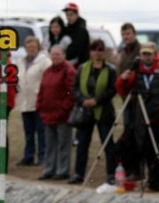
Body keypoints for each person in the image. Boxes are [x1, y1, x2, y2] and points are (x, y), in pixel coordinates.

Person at [116, 41, 159, 192]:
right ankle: (139, 176)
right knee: (143, 148)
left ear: (155, 54)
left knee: (158, 151)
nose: (147, 57)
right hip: (142, 116)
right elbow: (123, 90)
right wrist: (123, 79)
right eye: (144, 54)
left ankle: (155, 183)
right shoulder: (136, 71)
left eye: (149, 54)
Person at [72, 39, 117, 185]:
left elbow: (112, 89)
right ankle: (79, 173)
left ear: (103, 52)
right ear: (90, 52)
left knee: (108, 144)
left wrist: (97, 100)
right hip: (85, 111)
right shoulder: (82, 68)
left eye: (100, 49)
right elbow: (75, 88)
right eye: (94, 49)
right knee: (82, 144)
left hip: (103, 111)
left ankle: (111, 174)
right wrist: (82, 100)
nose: (97, 52)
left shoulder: (110, 70)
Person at [37, 46, 76, 181]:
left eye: (58, 54)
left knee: (63, 144)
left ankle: (62, 170)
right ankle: (49, 169)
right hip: (48, 113)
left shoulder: (69, 70)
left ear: (64, 55)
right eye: (53, 55)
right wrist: (40, 106)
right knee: (50, 144)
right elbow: (42, 89)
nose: (55, 57)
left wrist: (64, 107)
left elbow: (71, 91)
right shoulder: (48, 71)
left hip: (62, 115)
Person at [16, 36, 51, 167]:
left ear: (38, 48)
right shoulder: (20, 61)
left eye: (33, 47)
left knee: (41, 131)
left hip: (39, 101)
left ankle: (43, 156)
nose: (31, 49)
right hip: (24, 100)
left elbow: (49, 79)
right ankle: (28, 155)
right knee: (28, 131)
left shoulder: (44, 61)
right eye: (28, 47)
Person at [62, 3, 90, 68]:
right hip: (68, 65)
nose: (69, 17)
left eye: (71, 15)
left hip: (79, 67)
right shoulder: (68, 29)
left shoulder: (81, 30)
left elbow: (75, 49)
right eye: (67, 15)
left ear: (77, 15)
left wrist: (61, 56)